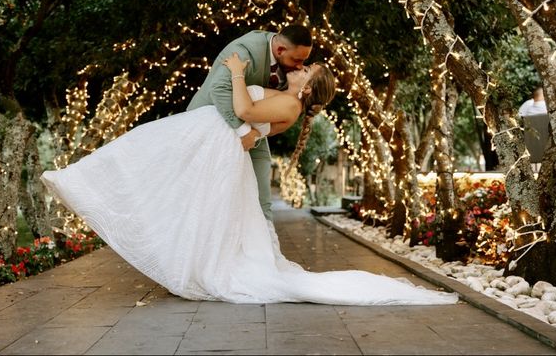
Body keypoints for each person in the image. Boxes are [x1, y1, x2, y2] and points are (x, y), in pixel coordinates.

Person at [40, 50, 458, 305]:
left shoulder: (291, 107)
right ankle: (77, 180)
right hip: (212, 139)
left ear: (309, 88)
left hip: (215, 141)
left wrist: (238, 72)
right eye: (305, 65)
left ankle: (78, 181)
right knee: (144, 158)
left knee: (146, 161)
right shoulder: (286, 97)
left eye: (307, 70)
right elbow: (249, 124)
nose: (301, 68)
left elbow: (242, 111)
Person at [186, 25, 313, 221]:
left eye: (303, 62)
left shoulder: (289, 68)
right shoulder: (245, 52)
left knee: (262, 198)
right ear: (280, 50)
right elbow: (219, 90)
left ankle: (265, 244)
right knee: (208, 197)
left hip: (252, 130)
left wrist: (254, 134)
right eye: (297, 60)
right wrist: (244, 131)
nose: (299, 66)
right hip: (214, 123)